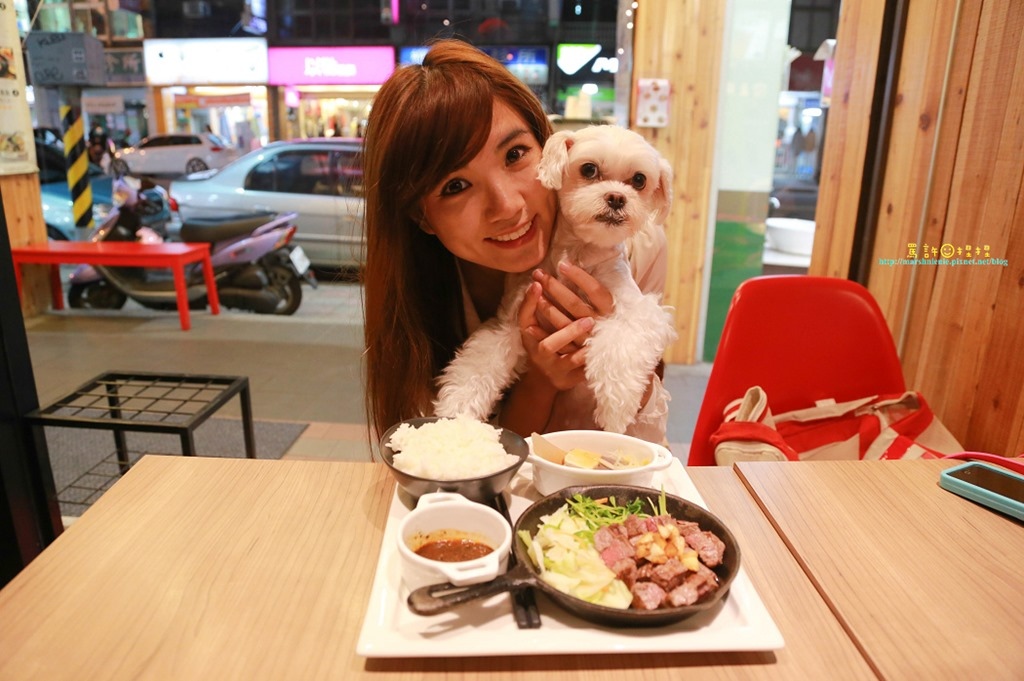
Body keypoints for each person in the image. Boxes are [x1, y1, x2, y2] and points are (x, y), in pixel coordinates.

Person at [362, 39, 670, 444]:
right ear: (421, 216)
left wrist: (618, 347)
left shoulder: (639, 247)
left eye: (514, 154)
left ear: (546, 147)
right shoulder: (415, 296)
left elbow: (645, 440)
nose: (507, 207)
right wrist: (541, 379)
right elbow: (454, 451)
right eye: (456, 185)